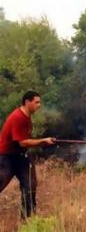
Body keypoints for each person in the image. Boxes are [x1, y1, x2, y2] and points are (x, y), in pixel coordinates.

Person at [0, 91, 55, 219]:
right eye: (36, 102)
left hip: (21, 157)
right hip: (7, 158)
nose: (39, 105)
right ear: (27, 102)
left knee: (30, 186)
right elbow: (22, 143)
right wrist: (43, 141)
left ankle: (28, 219)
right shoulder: (18, 117)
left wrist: (45, 141)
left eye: (39, 102)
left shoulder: (27, 116)